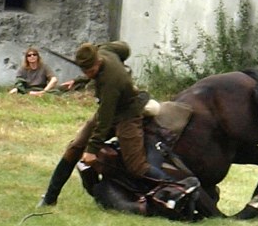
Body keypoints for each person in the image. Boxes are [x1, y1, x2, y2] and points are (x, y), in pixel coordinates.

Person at [37, 40, 168, 208]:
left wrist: (92, 150)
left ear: (98, 62)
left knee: (137, 166)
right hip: (110, 109)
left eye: (91, 71)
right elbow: (125, 48)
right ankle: (49, 198)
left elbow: (105, 120)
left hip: (127, 114)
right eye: (84, 71)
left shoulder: (111, 80)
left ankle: (174, 187)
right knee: (74, 148)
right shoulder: (104, 50)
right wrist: (80, 80)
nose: (89, 74)